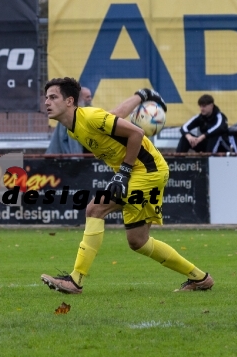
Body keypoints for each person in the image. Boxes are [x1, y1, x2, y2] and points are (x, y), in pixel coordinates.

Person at [40, 77, 214, 293]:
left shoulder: (90, 116)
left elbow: (136, 133)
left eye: (53, 97)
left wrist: (123, 172)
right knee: (138, 241)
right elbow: (114, 117)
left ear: (70, 101)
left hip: (147, 171)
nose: (47, 102)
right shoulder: (74, 127)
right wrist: (141, 96)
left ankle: (75, 280)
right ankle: (200, 278)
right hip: (143, 172)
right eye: (46, 97)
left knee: (95, 208)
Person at [45, 87, 92, 154]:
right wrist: (77, 160)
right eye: (87, 97)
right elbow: (74, 146)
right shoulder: (72, 116)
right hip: (61, 159)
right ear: (79, 99)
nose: (90, 99)